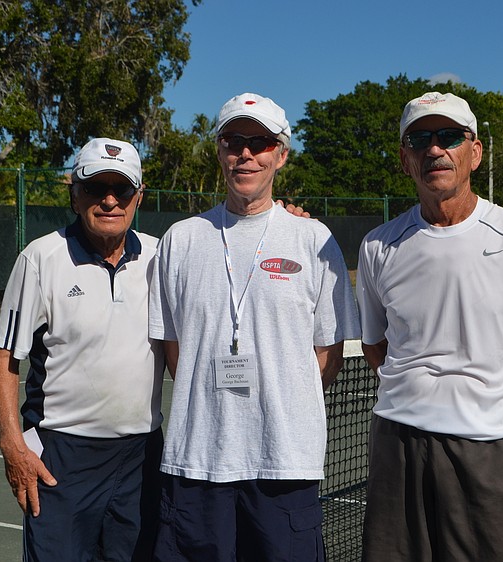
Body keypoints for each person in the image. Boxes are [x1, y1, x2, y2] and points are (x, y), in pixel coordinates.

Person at [356, 92, 503, 561]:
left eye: (450, 137)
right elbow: (374, 344)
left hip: (491, 453)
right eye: (419, 139)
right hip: (398, 447)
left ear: (474, 152)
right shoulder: (378, 246)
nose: (434, 149)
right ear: (405, 159)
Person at [148, 92, 360, 561]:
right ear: (219, 150)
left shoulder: (313, 239)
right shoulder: (180, 241)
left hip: (285, 463)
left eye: (260, 142)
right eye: (233, 140)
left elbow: (327, 354)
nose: (246, 153)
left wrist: (282, 394)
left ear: (281, 154)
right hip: (197, 462)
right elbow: (174, 350)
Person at [0, 138, 164, 562]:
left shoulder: (162, 257)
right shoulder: (40, 258)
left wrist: (285, 219)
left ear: (138, 196)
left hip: (142, 459)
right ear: (74, 193)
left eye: (121, 190)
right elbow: (4, 357)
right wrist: (14, 447)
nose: (109, 200)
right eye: (94, 188)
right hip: (61, 460)